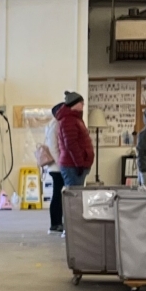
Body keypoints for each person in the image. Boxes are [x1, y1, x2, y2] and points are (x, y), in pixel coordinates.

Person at [52, 93, 94, 235]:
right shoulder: (69, 120)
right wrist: (79, 163)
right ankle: (71, 230)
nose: (83, 105)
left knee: (75, 197)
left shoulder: (74, 119)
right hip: (72, 165)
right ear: (74, 104)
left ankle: (73, 228)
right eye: (81, 103)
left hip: (75, 164)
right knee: (74, 198)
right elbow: (71, 144)